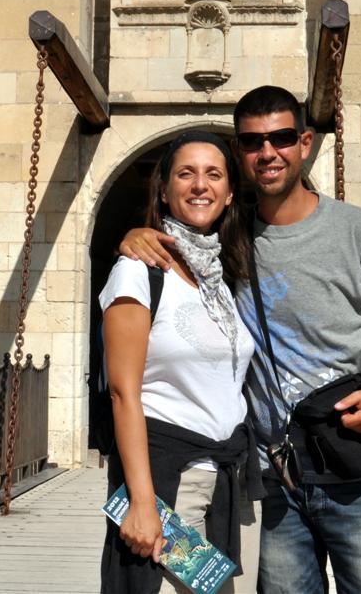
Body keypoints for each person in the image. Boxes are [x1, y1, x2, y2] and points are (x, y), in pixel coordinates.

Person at [121, 86, 361, 594]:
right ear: (241, 152)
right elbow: (177, 236)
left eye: (282, 138)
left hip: (359, 470)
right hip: (272, 480)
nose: (268, 153)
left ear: (304, 143)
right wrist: (133, 237)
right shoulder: (227, 237)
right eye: (253, 142)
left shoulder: (356, 230)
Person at [99, 130, 259, 593]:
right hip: (171, 489)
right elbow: (122, 391)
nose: (199, 185)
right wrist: (142, 503)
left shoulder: (223, 278)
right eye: (185, 173)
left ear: (229, 194)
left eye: (213, 174)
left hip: (226, 483)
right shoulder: (138, 271)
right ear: (164, 190)